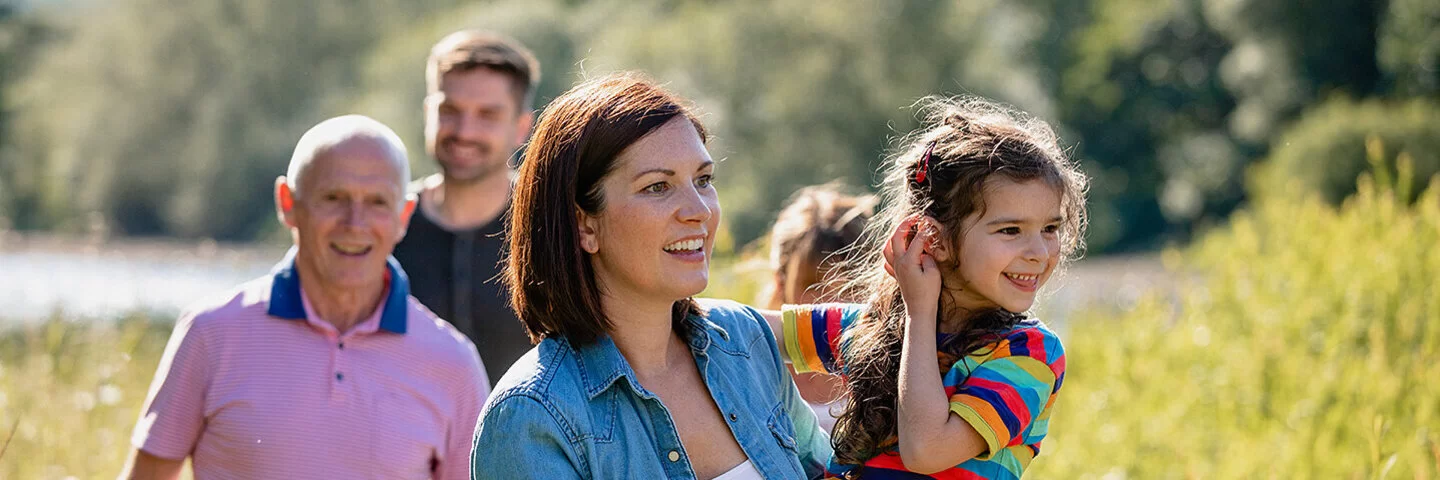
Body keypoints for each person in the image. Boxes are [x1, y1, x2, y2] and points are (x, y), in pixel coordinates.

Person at [472, 73, 830, 479]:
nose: (699, 210)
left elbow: (830, 467)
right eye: (658, 187)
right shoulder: (532, 418)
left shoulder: (744, 343)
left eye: (703, 180)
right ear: (584, 226)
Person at [121, 115, 488, 480]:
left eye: (377, 202)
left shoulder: (453, 364)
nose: (355, 223)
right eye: (333, 197)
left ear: (403, 216)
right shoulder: (211, 334)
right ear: (288, 202)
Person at [775, 96, 1088, 478]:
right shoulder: (870, 329)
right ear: (934, 239)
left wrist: (919, 313)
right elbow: (746, 334)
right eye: (1011, 230)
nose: (1039, 252)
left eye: (1050, 229)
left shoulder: (1029, 354)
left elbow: (926, 450)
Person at [392, 30, 540, 382]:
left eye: (487, 114)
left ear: (521, 127)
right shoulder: (384, 224)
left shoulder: (553, 225)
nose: (464, 131)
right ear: (429, 112)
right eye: (450, 110)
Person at [758, 184, 875, 432]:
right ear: (781, 281)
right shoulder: (752, 367)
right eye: (814, 285)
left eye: (851, 286)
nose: (835, 301)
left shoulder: (895, 365)